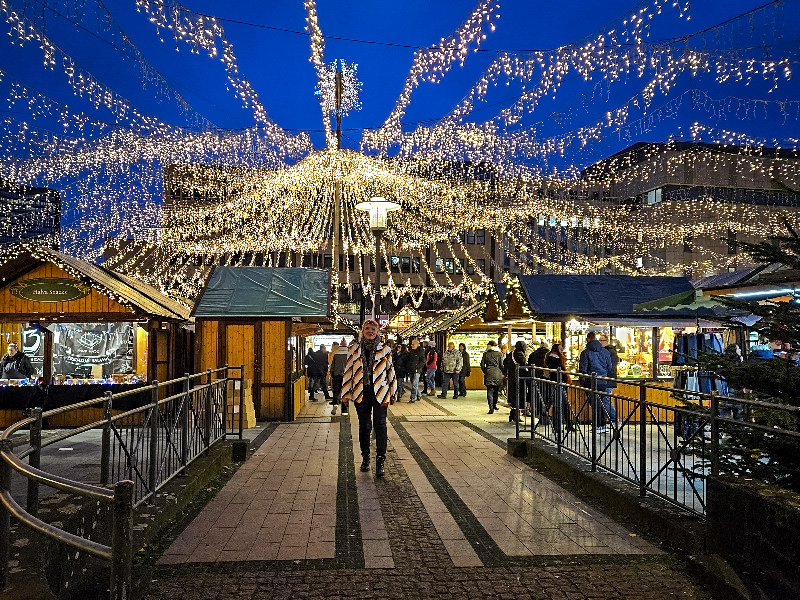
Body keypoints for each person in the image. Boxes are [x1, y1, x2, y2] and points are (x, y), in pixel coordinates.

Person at [341, 319, 398, 478]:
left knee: (380, 425)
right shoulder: (354, 348)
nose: (370, 331)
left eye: (373, 329)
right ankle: (365, 457)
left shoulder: (385, 349)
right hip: (361, 392)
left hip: (380, 392)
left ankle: (380, 460)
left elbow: (390, 372)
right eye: (367, 328)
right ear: (362, 330)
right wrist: (345, 393)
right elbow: (348, 370)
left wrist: (393, 393)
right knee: (365, 426)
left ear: (377, 331)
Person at [578, 331, 616, 433]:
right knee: (600, 403)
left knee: (595, 404)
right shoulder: (605, 352)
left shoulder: (585, 353)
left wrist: (582, 380)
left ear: (588, 339)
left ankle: (598, 426)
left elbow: (583, 368)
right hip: (602, 381)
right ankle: (602, 425)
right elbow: (610, 367)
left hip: (590, 381)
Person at [545, 343, 574, 433]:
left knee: (563, 404)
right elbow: (558, 371)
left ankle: (566, 425)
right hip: (558, 384)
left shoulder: (552, 356)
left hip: (558, 383)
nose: (562, 350)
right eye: (560, 349)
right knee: (559, 405)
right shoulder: (554, 358)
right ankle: (557, 426)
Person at [503, 341, 528, 422]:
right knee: (519, 396)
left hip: (511, 378)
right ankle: (516, 416)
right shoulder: (520, 354)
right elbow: (524, 364)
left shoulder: (511, 353)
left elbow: (505, 363)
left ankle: (512, 415)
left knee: (513, 397)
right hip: (519, 378)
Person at [528, 340, 550, 424]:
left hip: (535, 380)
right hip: (546, 379)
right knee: (547, 397)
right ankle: (545, 415)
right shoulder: (548, 354)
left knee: (537, 397)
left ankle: (540, 415)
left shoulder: (533, 354)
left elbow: (529, 365)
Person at [480, 340, 504, 414]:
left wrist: (486, 371)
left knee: (489, 391)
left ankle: (491, 407)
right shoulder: (499, 354)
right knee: (496, 391)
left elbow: (482, 365)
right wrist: (502, 372)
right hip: (497, 373)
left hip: (489, 373)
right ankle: (494, 405)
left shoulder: (486, 354)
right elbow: (501, 365)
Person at [329, 340, 348, 412]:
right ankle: (344, 410)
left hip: (337, 375)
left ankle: (335, 404)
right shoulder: (349, 354)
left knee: (336, 391)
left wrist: (332, 375)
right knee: (345, 393)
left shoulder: (336, 354)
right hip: (346, 376)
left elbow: (332, 367)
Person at [406, 336, 426, 403]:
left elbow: (423, 361)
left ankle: (412, 398)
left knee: (414, 384)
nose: (412, 345)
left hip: (417, 370)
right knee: (414, 384)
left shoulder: (420, 352)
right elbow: (408, 360)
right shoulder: (411, 352)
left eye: (413, 344)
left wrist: (417, 367)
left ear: (417, 345)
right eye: (411, 344)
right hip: (411, 370)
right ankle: (419, 395)